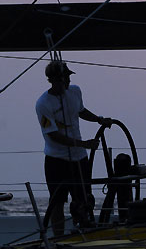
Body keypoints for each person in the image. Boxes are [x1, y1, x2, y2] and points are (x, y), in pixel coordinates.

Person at [36, 60, 112, 236]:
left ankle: (83, 230)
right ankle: (59, 239)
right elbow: (52, 135)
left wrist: (99, 119)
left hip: (79, 159)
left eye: (69, 78)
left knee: (84, 199)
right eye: (65, 78)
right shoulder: (43, 104)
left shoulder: (75, 91)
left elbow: (81, 110)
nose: (68, 82)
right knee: (57, 202)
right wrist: (84, 144)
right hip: (56, 160)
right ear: (54, 80)